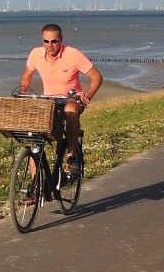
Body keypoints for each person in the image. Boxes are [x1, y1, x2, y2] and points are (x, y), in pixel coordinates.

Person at [18, 23, 103, 175]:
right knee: (35, 139)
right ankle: (34, 189)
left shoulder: (73, 54)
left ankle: (72, 155)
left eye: (54, 41)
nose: (50, 45)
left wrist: (87, 96)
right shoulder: (35, 54)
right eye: (46, 41)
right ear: (42, 40)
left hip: (71, 98)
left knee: (70, 111)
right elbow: (27, 75)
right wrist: (22, 95)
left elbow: (96, 77)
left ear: (61, 39)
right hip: (49, 99)